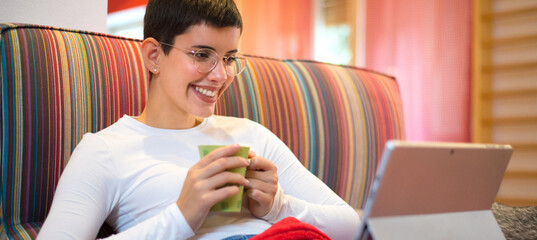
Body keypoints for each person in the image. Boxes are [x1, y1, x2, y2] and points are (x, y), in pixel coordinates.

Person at [37, 0, 361, 239]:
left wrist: (277, 207)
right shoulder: (104, 150)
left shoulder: (250, 134)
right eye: (202, 55)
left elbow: (352, 225)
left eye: (230, 58)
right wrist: (181, 216)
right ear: (154, 56)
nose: (221, 75)